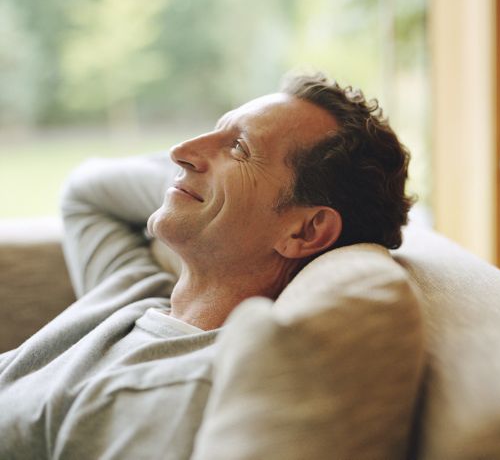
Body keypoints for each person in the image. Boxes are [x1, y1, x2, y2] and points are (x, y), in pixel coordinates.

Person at [0, 73, 413, 458]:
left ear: (304, 233)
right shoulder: (133, 289)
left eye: (239, 148)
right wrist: (199, 186)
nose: (179, 152)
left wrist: (206, 191)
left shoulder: (179, 386)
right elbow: (87, 191)